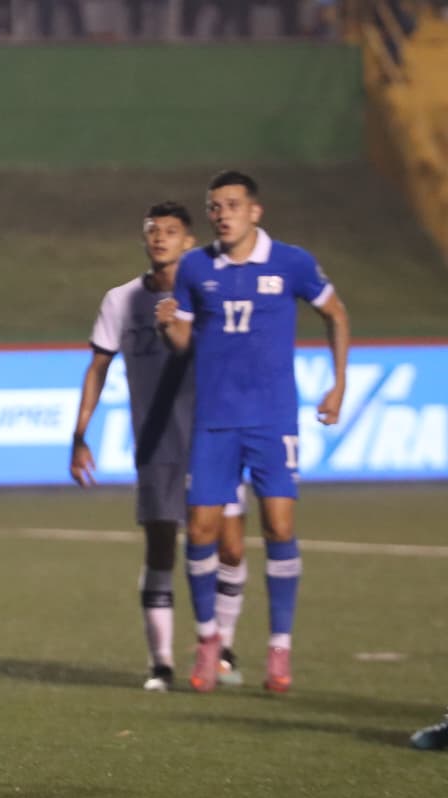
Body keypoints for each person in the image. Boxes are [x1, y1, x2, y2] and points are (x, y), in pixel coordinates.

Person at [156, 170, 350, 693]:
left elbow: (335, 313)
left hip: (272, 419)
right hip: (215, 420)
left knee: (280, 528)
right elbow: (184, 343)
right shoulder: (196, 267)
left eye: (232, 205)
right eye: (215, 206)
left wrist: (338, 385)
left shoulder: (291, 262)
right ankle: (207, 641)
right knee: (199, 532)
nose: (222, 213)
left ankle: (279, 650)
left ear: (255, 212)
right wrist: (170, 323)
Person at [71, 201, 249, 693]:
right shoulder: (120, 301)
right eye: (153, 230)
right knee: (160, 549)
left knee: (230, 548)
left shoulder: (212, 293)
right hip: (156, 442)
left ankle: (224, 647)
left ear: (189, 241)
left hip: (214, 437)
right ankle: (162, 665)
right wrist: (79, 434)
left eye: (171, 231)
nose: (160, 238)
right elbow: (99, 368)